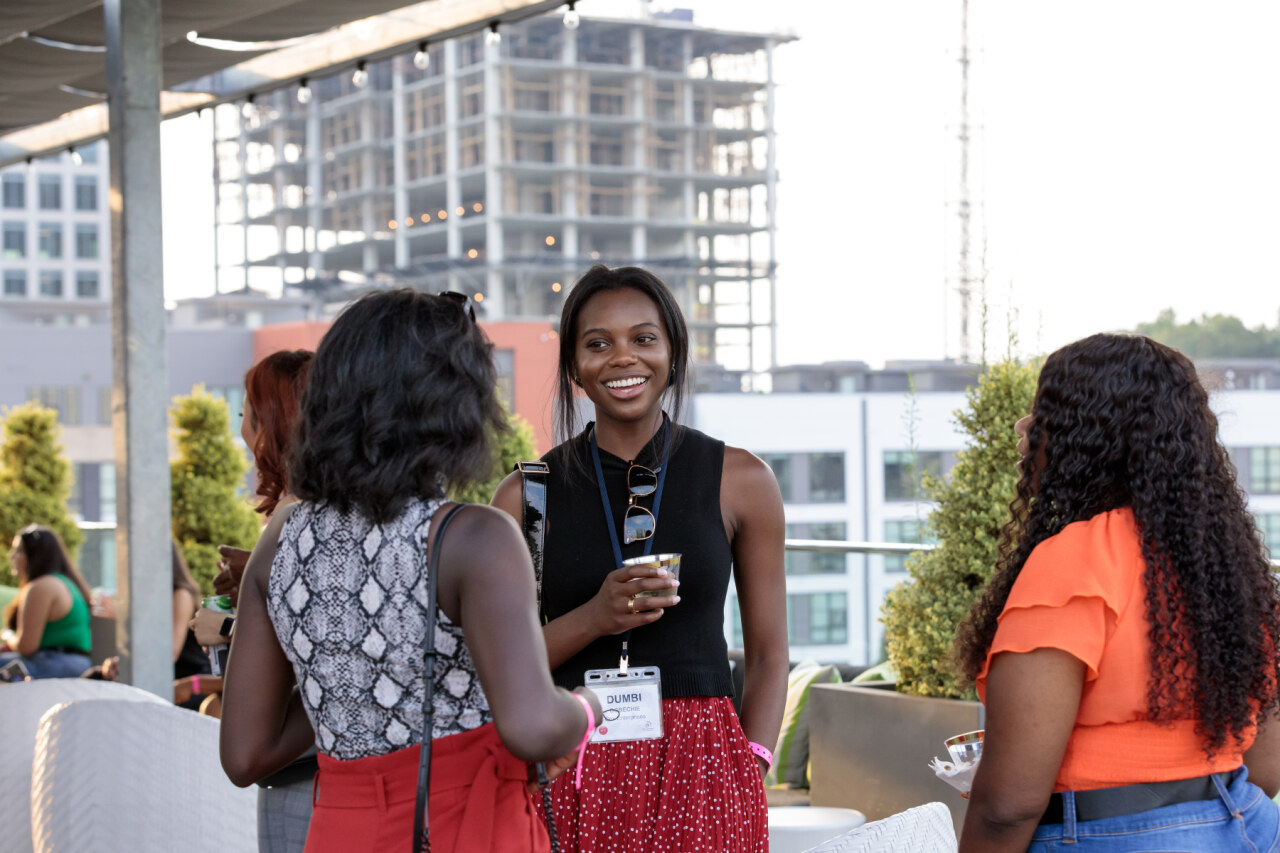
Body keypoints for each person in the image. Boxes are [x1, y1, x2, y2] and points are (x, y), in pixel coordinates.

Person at [219, 289, 600, 853]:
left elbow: (244, 755)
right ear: (453, 406)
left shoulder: (280, 539)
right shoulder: (476, 537)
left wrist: (349, 686)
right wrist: (586, 708)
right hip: (464, 824)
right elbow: (532, 727)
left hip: (341, 830)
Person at [491, 264, 789, 852]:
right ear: (574, 367)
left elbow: (770, 653)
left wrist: (749, 764)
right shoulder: (526, 495)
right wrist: (594, 618)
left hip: (704, 767)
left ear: (672, 353)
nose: (623, 357)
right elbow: (504, 668)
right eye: (598, 343)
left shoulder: (740, 479)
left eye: (644, 338)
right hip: (570, 761)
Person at [955, 333, 1280, 852]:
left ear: (1084, 434)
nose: (1023, 428)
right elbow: (1267, 765)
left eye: (1044, 412)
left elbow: (1007, 806)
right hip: (1246, 826)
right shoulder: (1226, 565)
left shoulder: (1071, 559)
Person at [187, 349, 314, 852]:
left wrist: (225, 628)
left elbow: (315, 644)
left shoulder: (298, 514)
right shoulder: (314, 509)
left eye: (244, 413)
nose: (241, 428)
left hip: (304, 771)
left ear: (271, 422)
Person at [1, 525, 93, 679]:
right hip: (76, 663)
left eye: (19, 551)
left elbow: (26, 647)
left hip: (56, 663)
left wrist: (7, 635)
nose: (11, 556)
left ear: (35, 555)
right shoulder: (66, 583)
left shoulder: (42, 586)